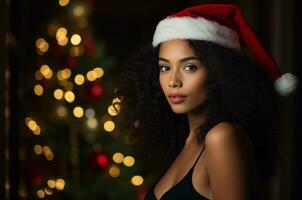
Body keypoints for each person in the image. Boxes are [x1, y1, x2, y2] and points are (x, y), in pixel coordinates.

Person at [114, 4, 298, 200]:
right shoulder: (184, 142)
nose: (173, 81)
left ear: (219, 71)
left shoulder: (222, 137)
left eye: (189, 67)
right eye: (165, 68)